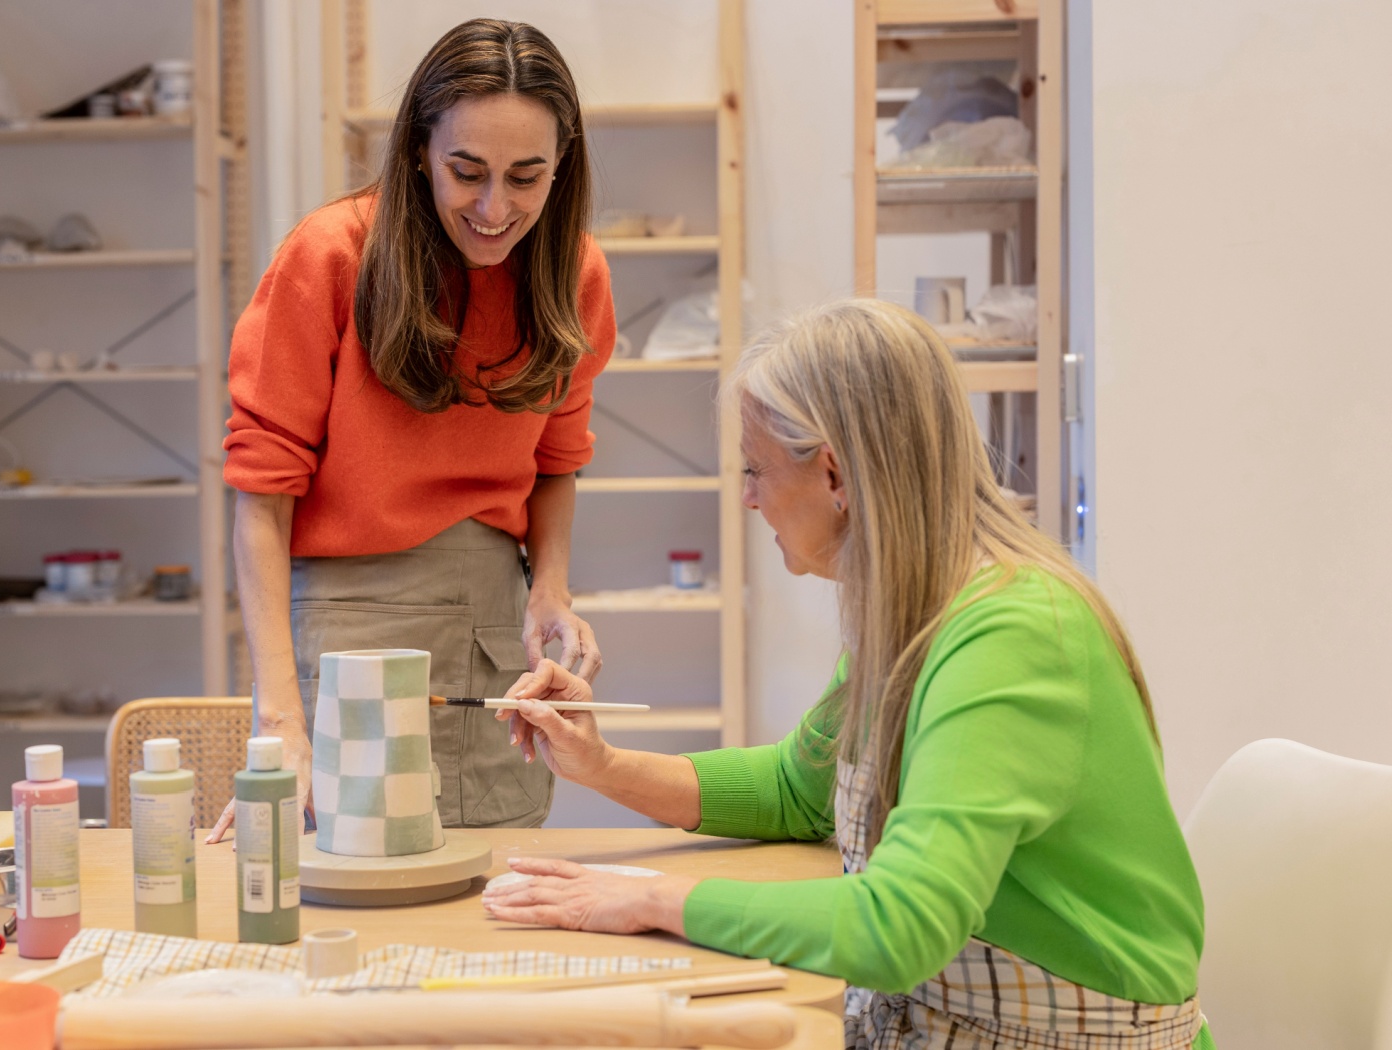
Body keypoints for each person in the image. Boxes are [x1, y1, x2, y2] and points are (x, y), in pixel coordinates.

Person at [482, 299, 1214, 1049]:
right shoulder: (912, 604)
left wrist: (658, 901)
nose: (747, 496)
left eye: (755, 468)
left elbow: (900, 928)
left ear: (833, 472)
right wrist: (600, 765)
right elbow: (798, 793)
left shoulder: (1012, 634)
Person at [209, 18, 614, 843]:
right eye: (467, 172)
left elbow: (557, 461)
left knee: (494, 882)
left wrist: (550, 591)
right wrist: (280, 709)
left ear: (561, 169)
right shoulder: (330, 255)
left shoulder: (574, 268)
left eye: (526, 178)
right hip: (348, 617)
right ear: (419, 151)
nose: (496, 209)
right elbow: (261, 495)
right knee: (354, 875)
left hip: (493, 620)